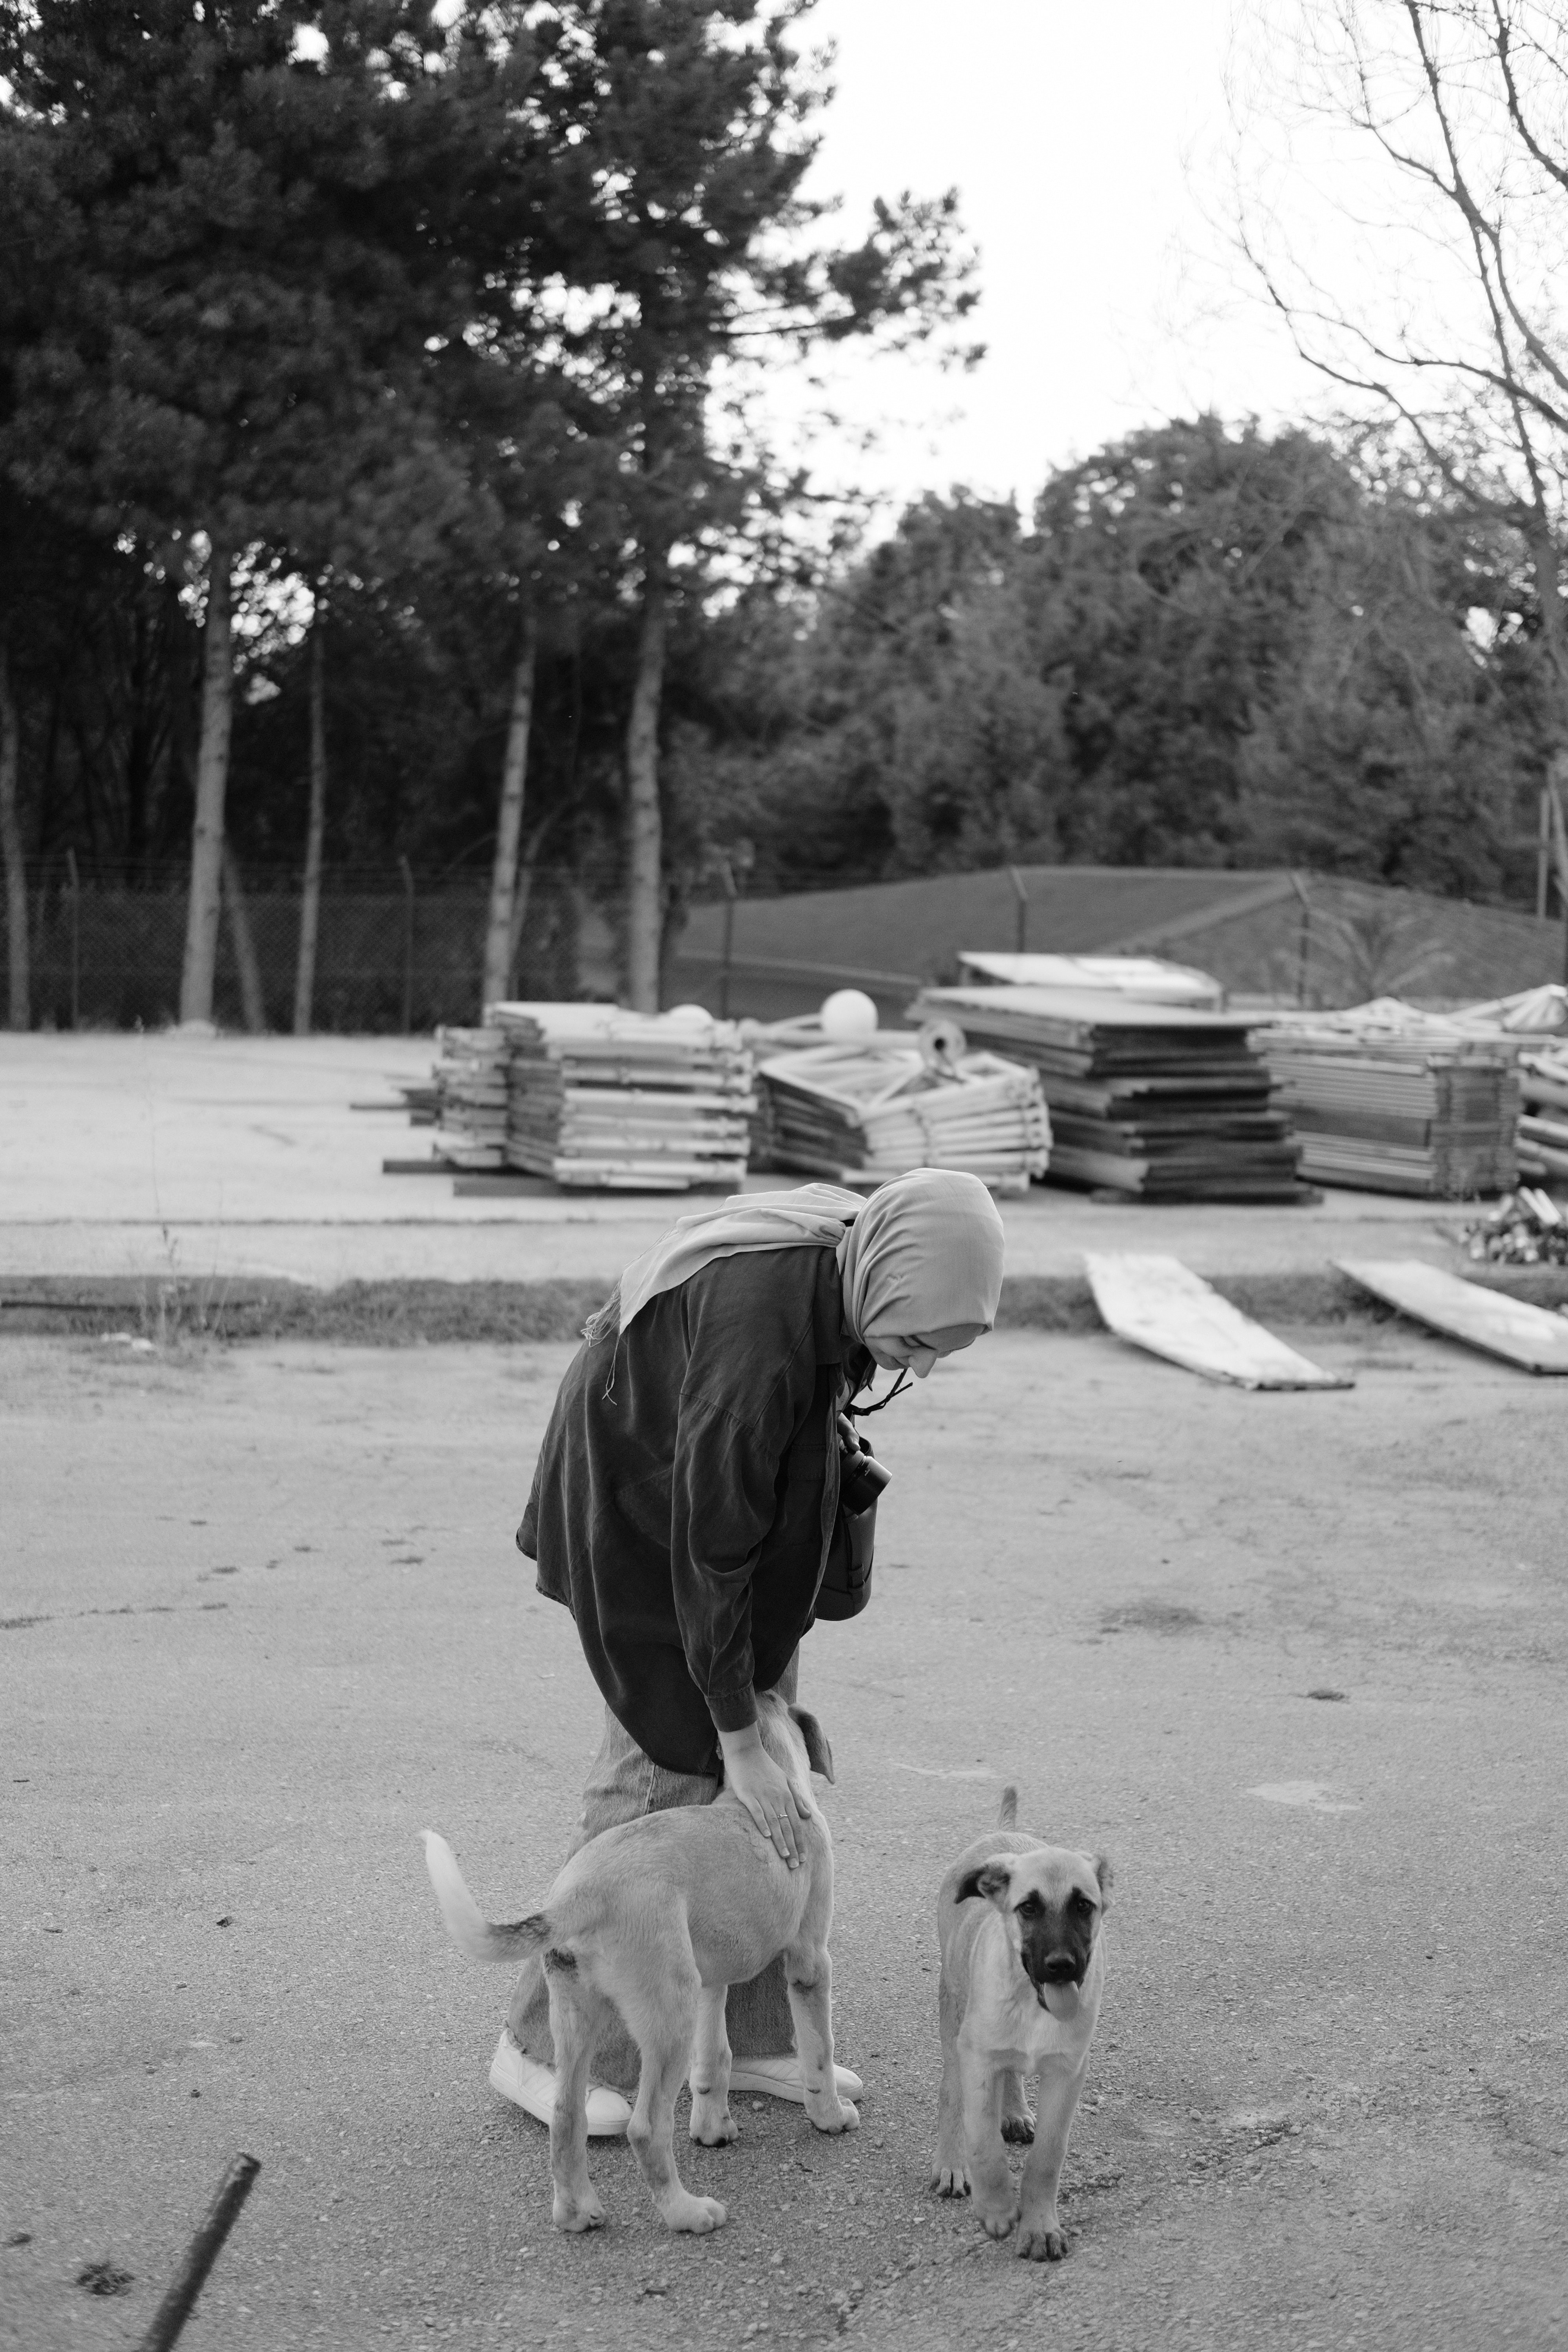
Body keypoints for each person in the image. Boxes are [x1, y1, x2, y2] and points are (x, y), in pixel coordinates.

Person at [491, 1167, 1007, 2132]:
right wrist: (728, 1731)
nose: (922, 1369)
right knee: (662, 1766)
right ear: (886, 1287)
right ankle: (539, 2051)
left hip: (738, 1520)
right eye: (915, 1344)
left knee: (766, 1779)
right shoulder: (758, 1340)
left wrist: (751, 1730)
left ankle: (760, 2035)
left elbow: (744, 1526)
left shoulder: (852, 1263)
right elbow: (706, 1549)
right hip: (642, 1517)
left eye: (941, 1349)